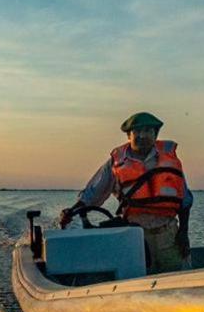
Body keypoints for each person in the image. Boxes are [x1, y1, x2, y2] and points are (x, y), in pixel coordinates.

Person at [59, 112, 192, 272]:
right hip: (135, 236)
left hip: (169, 235)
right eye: (137, 131)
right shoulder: (116, 164)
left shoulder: (170, 161)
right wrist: (71, 211)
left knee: (177, 281)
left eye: (148, 131)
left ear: (155, 134)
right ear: (129, 135)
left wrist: (183, 233)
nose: (142, 136)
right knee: (138, 283)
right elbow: (92, 194)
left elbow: (185, 201)